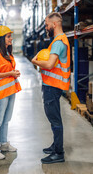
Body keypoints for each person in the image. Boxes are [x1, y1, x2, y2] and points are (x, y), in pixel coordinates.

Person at [31, 12, 70, 164]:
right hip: (51, 85)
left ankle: (58, 153)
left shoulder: (59, 42)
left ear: (55, 24)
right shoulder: (57, 40)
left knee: (54, 119)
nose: (46, 27)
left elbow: (49, 64)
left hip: (53, 86)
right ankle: (56, 145)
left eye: (47, 25)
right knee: (53, 117)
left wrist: (35, 61)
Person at [0, 25, 22, 160]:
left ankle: (3, 144)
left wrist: (14, 74)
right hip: (1, 93)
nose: (11, 39)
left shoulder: (8, 54)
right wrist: (11, 73)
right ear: (2, 39)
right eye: (8, 37)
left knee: (6, 119)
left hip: (10, 91)